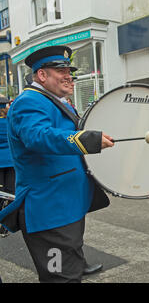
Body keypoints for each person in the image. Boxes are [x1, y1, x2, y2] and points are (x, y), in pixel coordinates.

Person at [0, 45, 115, 283]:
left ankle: (76, 263)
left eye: (69, 71)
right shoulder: (28, 101)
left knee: (69, 266)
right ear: (42, 75)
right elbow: (38, 137)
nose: (69, 76)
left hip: (65, 205)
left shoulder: (54, 101)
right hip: (50, 210)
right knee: (60, 278)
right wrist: (87, 140)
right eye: (61, 70)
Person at [0, 96, 15, 237]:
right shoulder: (10, 121)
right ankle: (7, 223)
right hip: (11, 159)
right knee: (11, 191)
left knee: (0, 190)